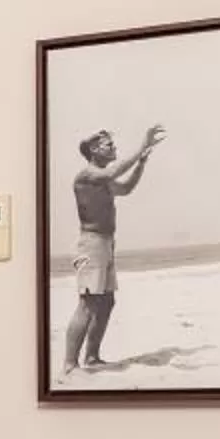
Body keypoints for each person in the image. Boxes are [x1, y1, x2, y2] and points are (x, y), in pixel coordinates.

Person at [63, 124, 166, 374]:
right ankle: (69, 365)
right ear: (94, 150)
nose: (113, 148)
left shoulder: (102, 179)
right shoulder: (87, 175)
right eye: (109, 145)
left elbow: (126, 188)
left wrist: (141, 163)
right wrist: (143, 144)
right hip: (91, 244)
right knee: (88, 303)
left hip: (106, 243)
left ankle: (92, 357)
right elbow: (113, 172)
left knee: (107, 302)